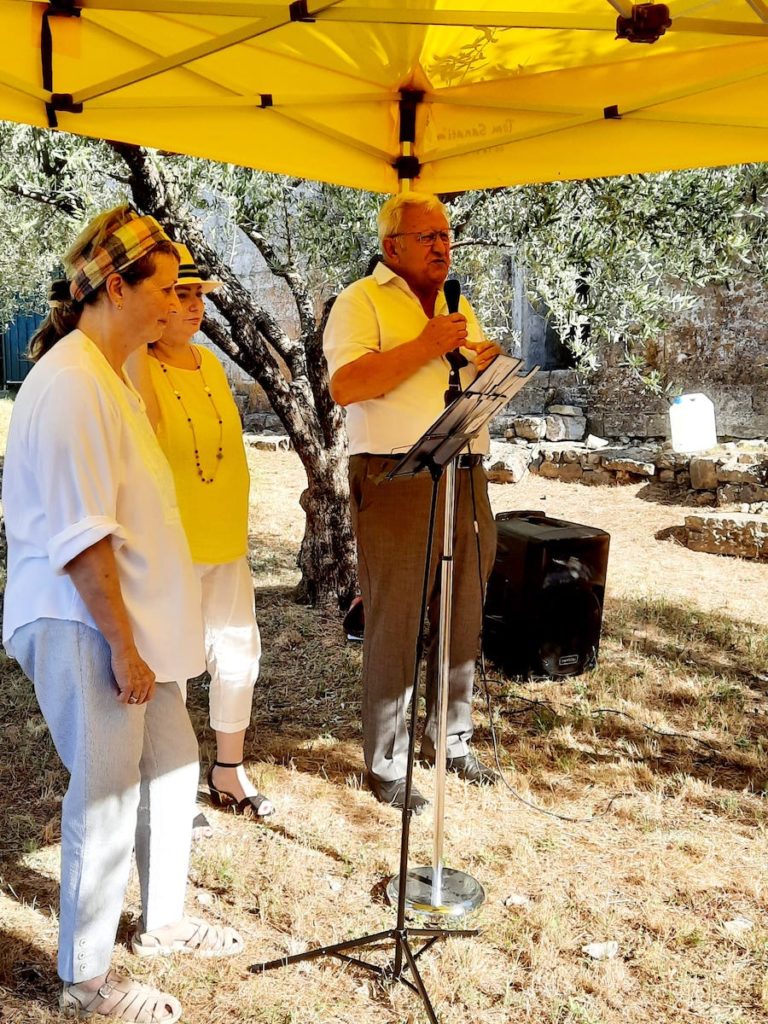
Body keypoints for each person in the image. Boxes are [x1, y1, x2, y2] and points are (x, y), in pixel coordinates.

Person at [2, 206, 243, 1023]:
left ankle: (165, 921)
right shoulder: (73, 382)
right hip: (86, 622)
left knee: (173, 765)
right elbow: (80, 540)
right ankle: (86, 980)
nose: (180, 303)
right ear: (116, 286)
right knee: (105, 794)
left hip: (133, 628)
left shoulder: (113, 372)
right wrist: (123, 645)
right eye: (167, 288)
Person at [323, 191, 502, 813]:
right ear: (391, 245)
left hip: (467, 467)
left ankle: (450, 738)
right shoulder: (359, 301)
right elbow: (347, 385)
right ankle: (388, 763)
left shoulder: (458, 303)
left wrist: (490, 363)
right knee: (397, 616)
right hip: (396, 474)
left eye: (446, 235)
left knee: (463, 609)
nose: (442, 246)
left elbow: (468, 374)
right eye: (428, 236)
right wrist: (427, 345)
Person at [126, 243, 272, 831]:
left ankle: (228, 770)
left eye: (197, 297)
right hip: (171, 542)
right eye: (179, 295)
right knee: (174, 662)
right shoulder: (137, 362)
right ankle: (172, 781)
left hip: (226, 536)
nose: (192, 307)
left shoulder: (210, 363)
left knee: (238, 652)